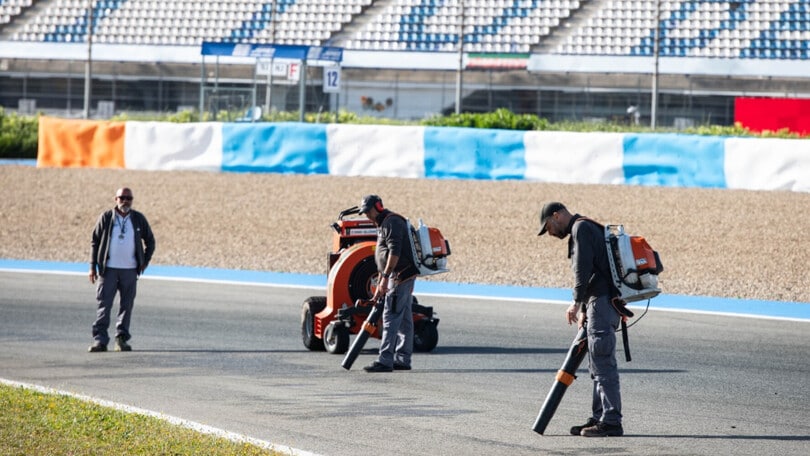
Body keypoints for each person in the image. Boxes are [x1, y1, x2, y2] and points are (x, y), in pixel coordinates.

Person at [537, 201, 625, 437]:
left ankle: (611, 421)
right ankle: (599, 417)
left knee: (602, 361)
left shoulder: (580, 229)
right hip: (601, 303)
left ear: (556, 216)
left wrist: (576, 302)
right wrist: (586, 308)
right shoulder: (586, 227)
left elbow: (583, 269)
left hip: (603, 302)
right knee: (596, 362)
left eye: (548, 227)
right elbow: (598, 269)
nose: (549, 233)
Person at [88, 187, 155, 352]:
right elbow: (94, 241)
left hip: (130, 270)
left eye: (129, 198)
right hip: (108, 269)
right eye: (122, 198)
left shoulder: (138, 218)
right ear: (115, 199)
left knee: (126, 305)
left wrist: (144, 261)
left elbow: (150, 241)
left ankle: (121, 339)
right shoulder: (106, 217)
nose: (125, 201)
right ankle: (100, 341)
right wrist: (92, 266)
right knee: (104, 305)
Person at [358, 194, 420, 373]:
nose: (367, 216)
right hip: (397, 276)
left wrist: (385, 277)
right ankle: (403, 359)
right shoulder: (384, 223)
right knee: (405, 320)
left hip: (399, 276)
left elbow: (394, 252)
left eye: (368, 212)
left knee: (390, 317)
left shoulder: (391, 222)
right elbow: (385, 254)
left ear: (377, 207)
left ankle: (385, 360)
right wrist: (381, 280)